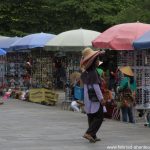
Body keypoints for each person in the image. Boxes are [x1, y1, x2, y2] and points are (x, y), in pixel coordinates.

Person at [80, 48, 105, 143]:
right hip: (94, 98)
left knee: (91, 116)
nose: (98, 61)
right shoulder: (93, 73)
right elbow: (96, 87)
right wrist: (101, 98)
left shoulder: (86, 73)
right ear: (94, 61)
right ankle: (89, 133)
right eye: (97, 59)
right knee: (99, 116)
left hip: (88, 97)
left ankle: (93, 136)